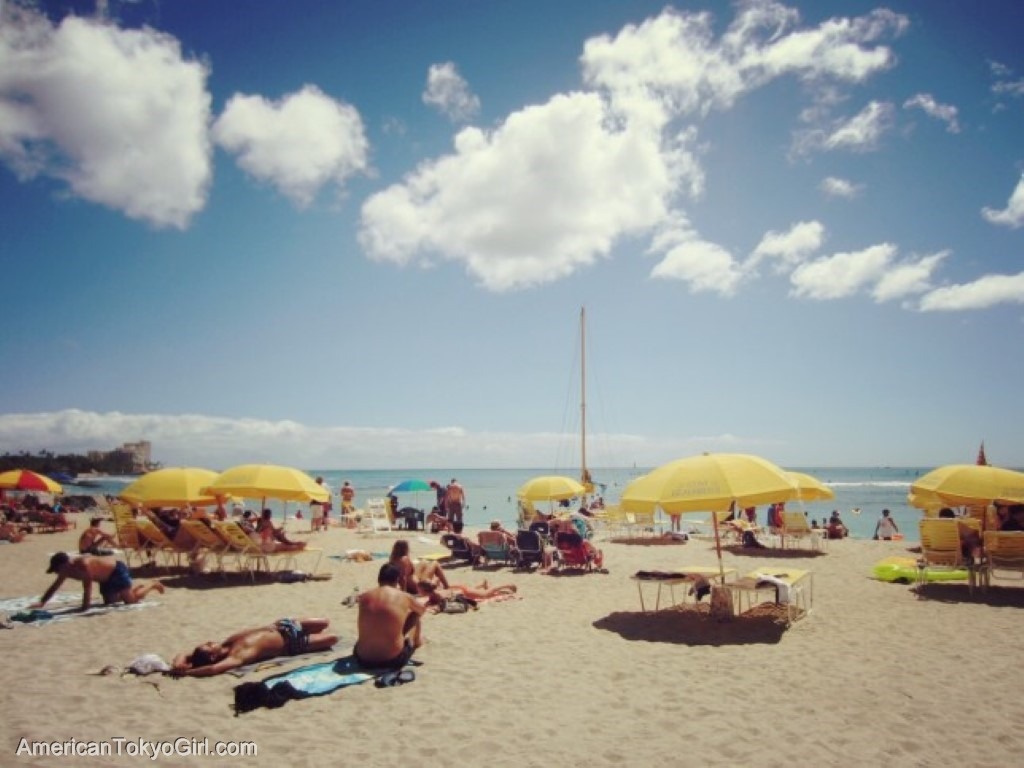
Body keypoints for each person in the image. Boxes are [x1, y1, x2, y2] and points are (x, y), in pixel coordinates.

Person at [168, 618, 337, 678]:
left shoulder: (225, 645)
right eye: (209, 645)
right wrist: (188, 673)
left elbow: (184, 654)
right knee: (332, 638)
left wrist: (177, 665)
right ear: (212, 655)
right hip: (291, 644)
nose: (211, 641)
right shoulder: (236, 656)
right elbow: (213, 669)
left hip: (282, 625)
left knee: (324, 622)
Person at [354, 563, 425, 669]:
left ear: (379, 578)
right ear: (397, 580)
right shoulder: (404, 596)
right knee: (414, 614)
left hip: (362, 658)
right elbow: (422, 610)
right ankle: (418, 642)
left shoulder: (364, 597)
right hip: (392, 659)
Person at [35, 552, 164, 611]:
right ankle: (132, 589)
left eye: (57, 569)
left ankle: (152, 584)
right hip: (105, 579)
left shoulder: (83, 565)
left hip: (116, 571)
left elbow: (87, 588)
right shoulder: (66, 571)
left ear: (64, 565)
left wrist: (84, 608)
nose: (57, 573)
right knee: (110, 602)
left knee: (131, 601)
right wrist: (42, 602)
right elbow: (55, 586)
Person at [418, 580, 518, 611]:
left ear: (426, 590)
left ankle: (507, 585)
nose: (418, 591)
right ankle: (481, 585)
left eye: (420, 590)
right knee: (476, 592)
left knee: (485, 594)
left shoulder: (437, 595)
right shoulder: (433, 592)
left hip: (463, 592)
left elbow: (443, 601)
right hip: (459, 589)